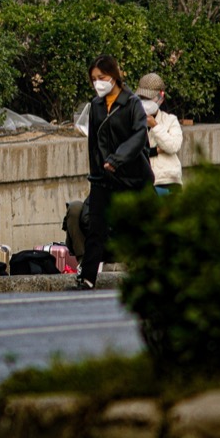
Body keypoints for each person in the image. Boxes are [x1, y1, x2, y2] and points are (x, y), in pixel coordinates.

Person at [79, 55, 154, 290]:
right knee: (96, 227)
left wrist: (117, 159)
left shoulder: (132, 103)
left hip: (133, 177)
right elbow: (94, 142)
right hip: (104, 178)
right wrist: (97, 172)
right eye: (94, 79)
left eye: (101, 78)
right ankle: (88, 276)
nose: (97, 83)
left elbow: (139, 136)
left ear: (114, 76)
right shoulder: (96, 106)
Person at [136, 73, 183, 194]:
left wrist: (155, 126)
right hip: (142, 181)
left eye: (149, 98)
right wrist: (155, 150)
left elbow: (173, 146)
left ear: (161, 97)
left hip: (167, 179)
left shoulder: (170, 120)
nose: (145, 102)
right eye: (142, 98)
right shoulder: (132, 120)